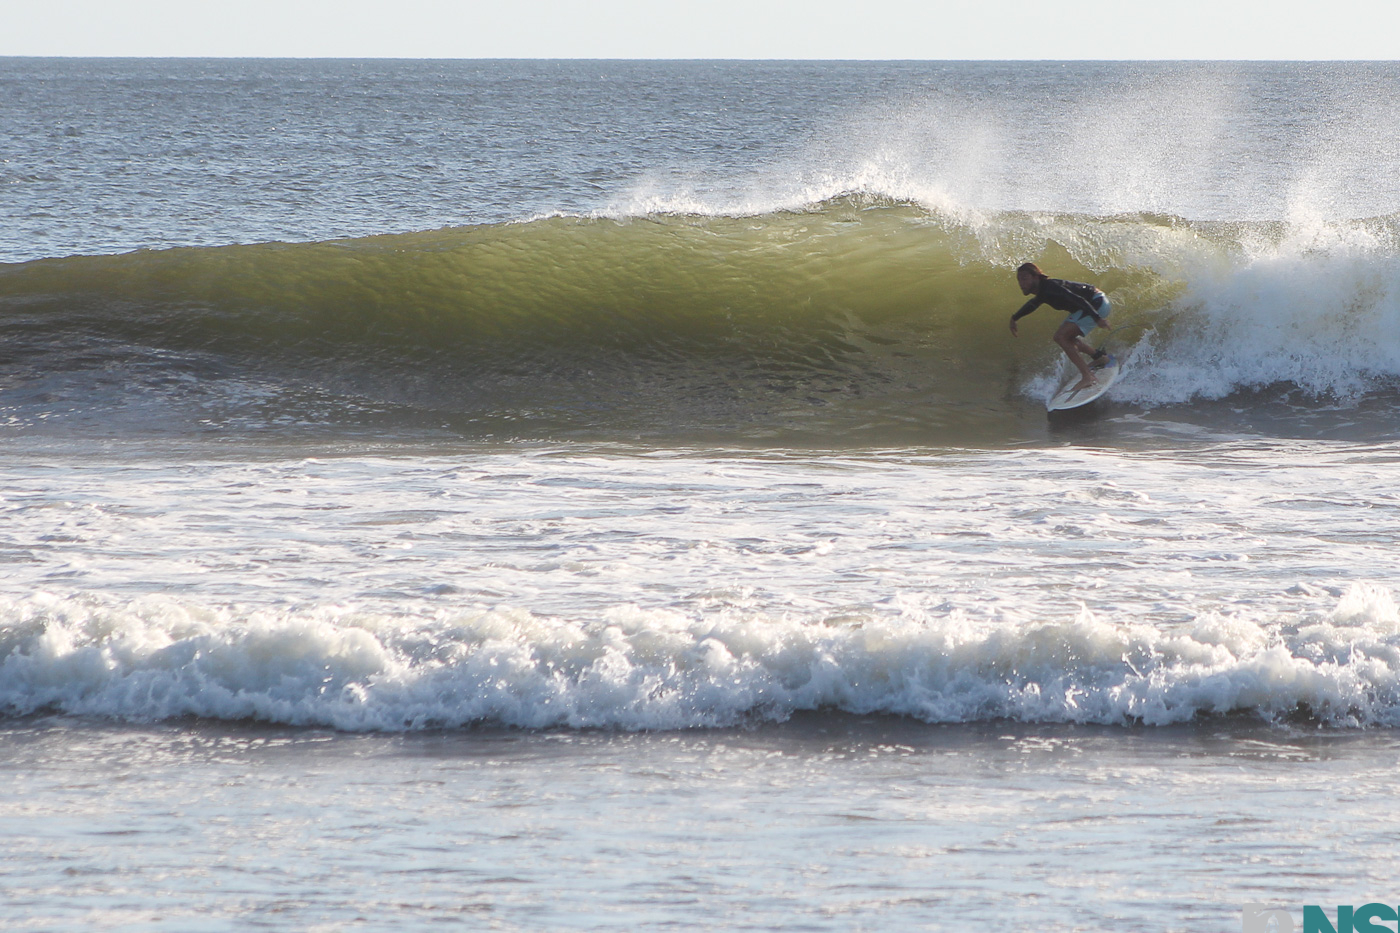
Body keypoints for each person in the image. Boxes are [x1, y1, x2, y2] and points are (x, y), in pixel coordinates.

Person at [1008, 262, 1113, 392]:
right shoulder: (1043, 291)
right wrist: (1015, 318)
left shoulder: (1051, 287)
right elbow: (1033, 304)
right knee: (1066, 338)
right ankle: (1099, 357)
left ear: (1036, 277)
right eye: (1019, 280)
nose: (1021, 283)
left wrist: (1097, 318)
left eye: (1024, 278)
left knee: (1061, 337)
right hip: (1094, 303)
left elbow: (1077, 299)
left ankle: (1088, 377)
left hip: (1096, 302)